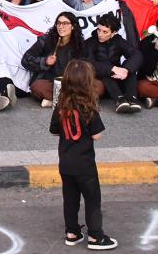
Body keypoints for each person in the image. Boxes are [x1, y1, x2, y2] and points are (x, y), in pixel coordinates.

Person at [51, 59, 118, 251]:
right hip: (85, 164)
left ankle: (72, 232)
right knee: (92, 199)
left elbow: (54, 131)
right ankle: (96, 236)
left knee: (70, 199)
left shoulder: (60, 107)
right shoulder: (89, 108)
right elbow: (97, 135)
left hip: (65, 163)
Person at [83, 10, 143, 113]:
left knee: (130, 70)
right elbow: (89, 63)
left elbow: (136, 55)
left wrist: (126, 70)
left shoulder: (118, 40)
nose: (100, 34)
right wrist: (112, 69)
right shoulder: (90, 42)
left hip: (118, 78)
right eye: (99, 30)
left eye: (105, 32)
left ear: (113, 33)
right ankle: (119, 100)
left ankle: (132, 98)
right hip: (100, 79)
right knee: (106, 72)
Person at [22, 11, 86, 107]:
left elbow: (84, 67)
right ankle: (69, 101)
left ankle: (56, 101)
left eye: (65, 23)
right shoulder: (45, 40)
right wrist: (45, 61)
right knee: (36, 86)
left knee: (97, 85)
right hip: (51, 82)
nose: (61, 26)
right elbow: (26, 59)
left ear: (73, 26)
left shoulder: (78, 44)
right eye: (58, 23)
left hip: (70, 83)